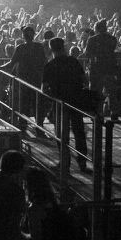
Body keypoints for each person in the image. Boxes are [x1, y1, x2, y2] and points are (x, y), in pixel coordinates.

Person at [41, 38, 91, 174]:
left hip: (60, 103)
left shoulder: (50, 65)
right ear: (63, 47)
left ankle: (65, 163)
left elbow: (44, 89)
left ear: (51, 49)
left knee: (61, 135)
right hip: (76, 101)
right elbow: (85, 80)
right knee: (79, 132)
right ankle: (82, 162)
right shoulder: (74, 62)